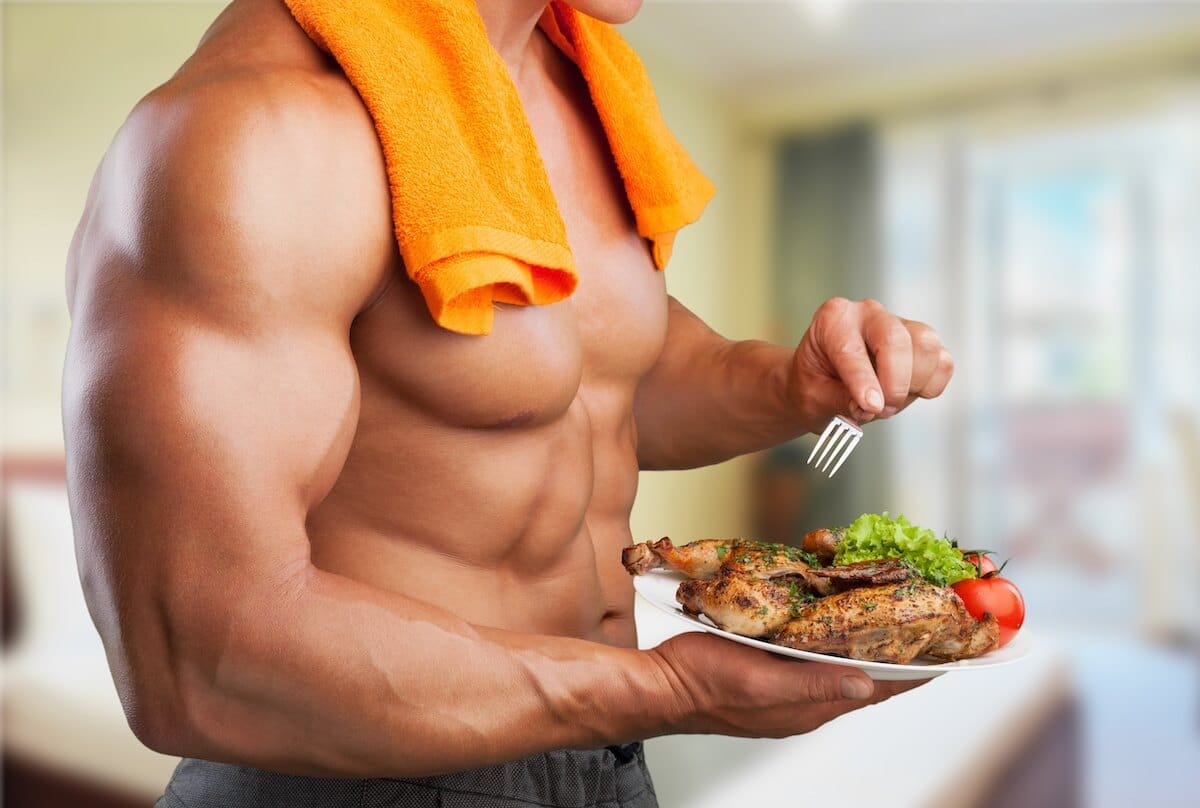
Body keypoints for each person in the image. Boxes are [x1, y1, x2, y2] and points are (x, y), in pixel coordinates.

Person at [63, 1, 954, 806]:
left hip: (603, 757)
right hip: (350, 780)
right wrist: (674, 691)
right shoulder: (258, 126)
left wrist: (789, 384)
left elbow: (600, 383)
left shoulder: (578, 89)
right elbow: (197, 661)